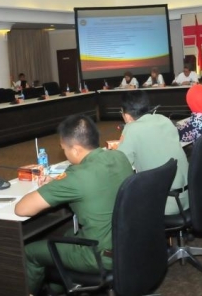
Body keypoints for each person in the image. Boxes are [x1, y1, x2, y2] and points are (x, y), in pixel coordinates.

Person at [14, 115, 134, 295]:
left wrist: (55, 185)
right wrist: (60, 183)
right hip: (128, 243)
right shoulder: (119, 156)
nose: (65, 153)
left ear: (76, 150)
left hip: (99, 256)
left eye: (64, 149)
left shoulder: (77, 176)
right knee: (66, 234)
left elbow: (22, 209)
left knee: (30, 252)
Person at [117, 90, 189, 215]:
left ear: (127, 116)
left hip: (165, 202)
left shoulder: (131, 129)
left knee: (120, 201)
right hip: (188, 197)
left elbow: (120, 164)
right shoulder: (164, 119)